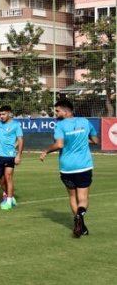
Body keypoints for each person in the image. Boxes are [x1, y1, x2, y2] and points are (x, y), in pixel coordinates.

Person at [40, 98, 98, 238]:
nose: (55, 113)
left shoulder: (60, 126)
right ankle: (80, 216)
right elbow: (95, 141)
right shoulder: (85, 122)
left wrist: (46, 151)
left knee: (72, 196)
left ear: (66, 111)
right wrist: (82, 139)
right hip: (83, 166)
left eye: (57, 111)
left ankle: (79, 225)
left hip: (67, 167)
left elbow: (59, 144)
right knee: (83, 198)